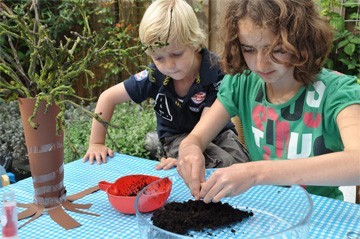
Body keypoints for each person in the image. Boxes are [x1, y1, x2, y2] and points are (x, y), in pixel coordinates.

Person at [177, 0, 360, 201]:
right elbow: (196, 138)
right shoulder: (241, 83)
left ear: (303, 40)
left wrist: (256, 173)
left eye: (277, 49)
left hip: (320, 216)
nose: (260, 64)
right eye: (249, 49)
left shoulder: (337, 91)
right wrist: (189, 151)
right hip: (265, 210)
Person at [82, 0, 250, 169]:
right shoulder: (154, 75)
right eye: (159, 58)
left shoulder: (214, 70)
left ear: (195, 43)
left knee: (241, 164)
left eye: (177, 54)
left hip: (217, 133)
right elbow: (107, 97)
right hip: (176, 138)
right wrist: (96, 143)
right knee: (220, 165)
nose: (169, 65)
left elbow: (207, 126)